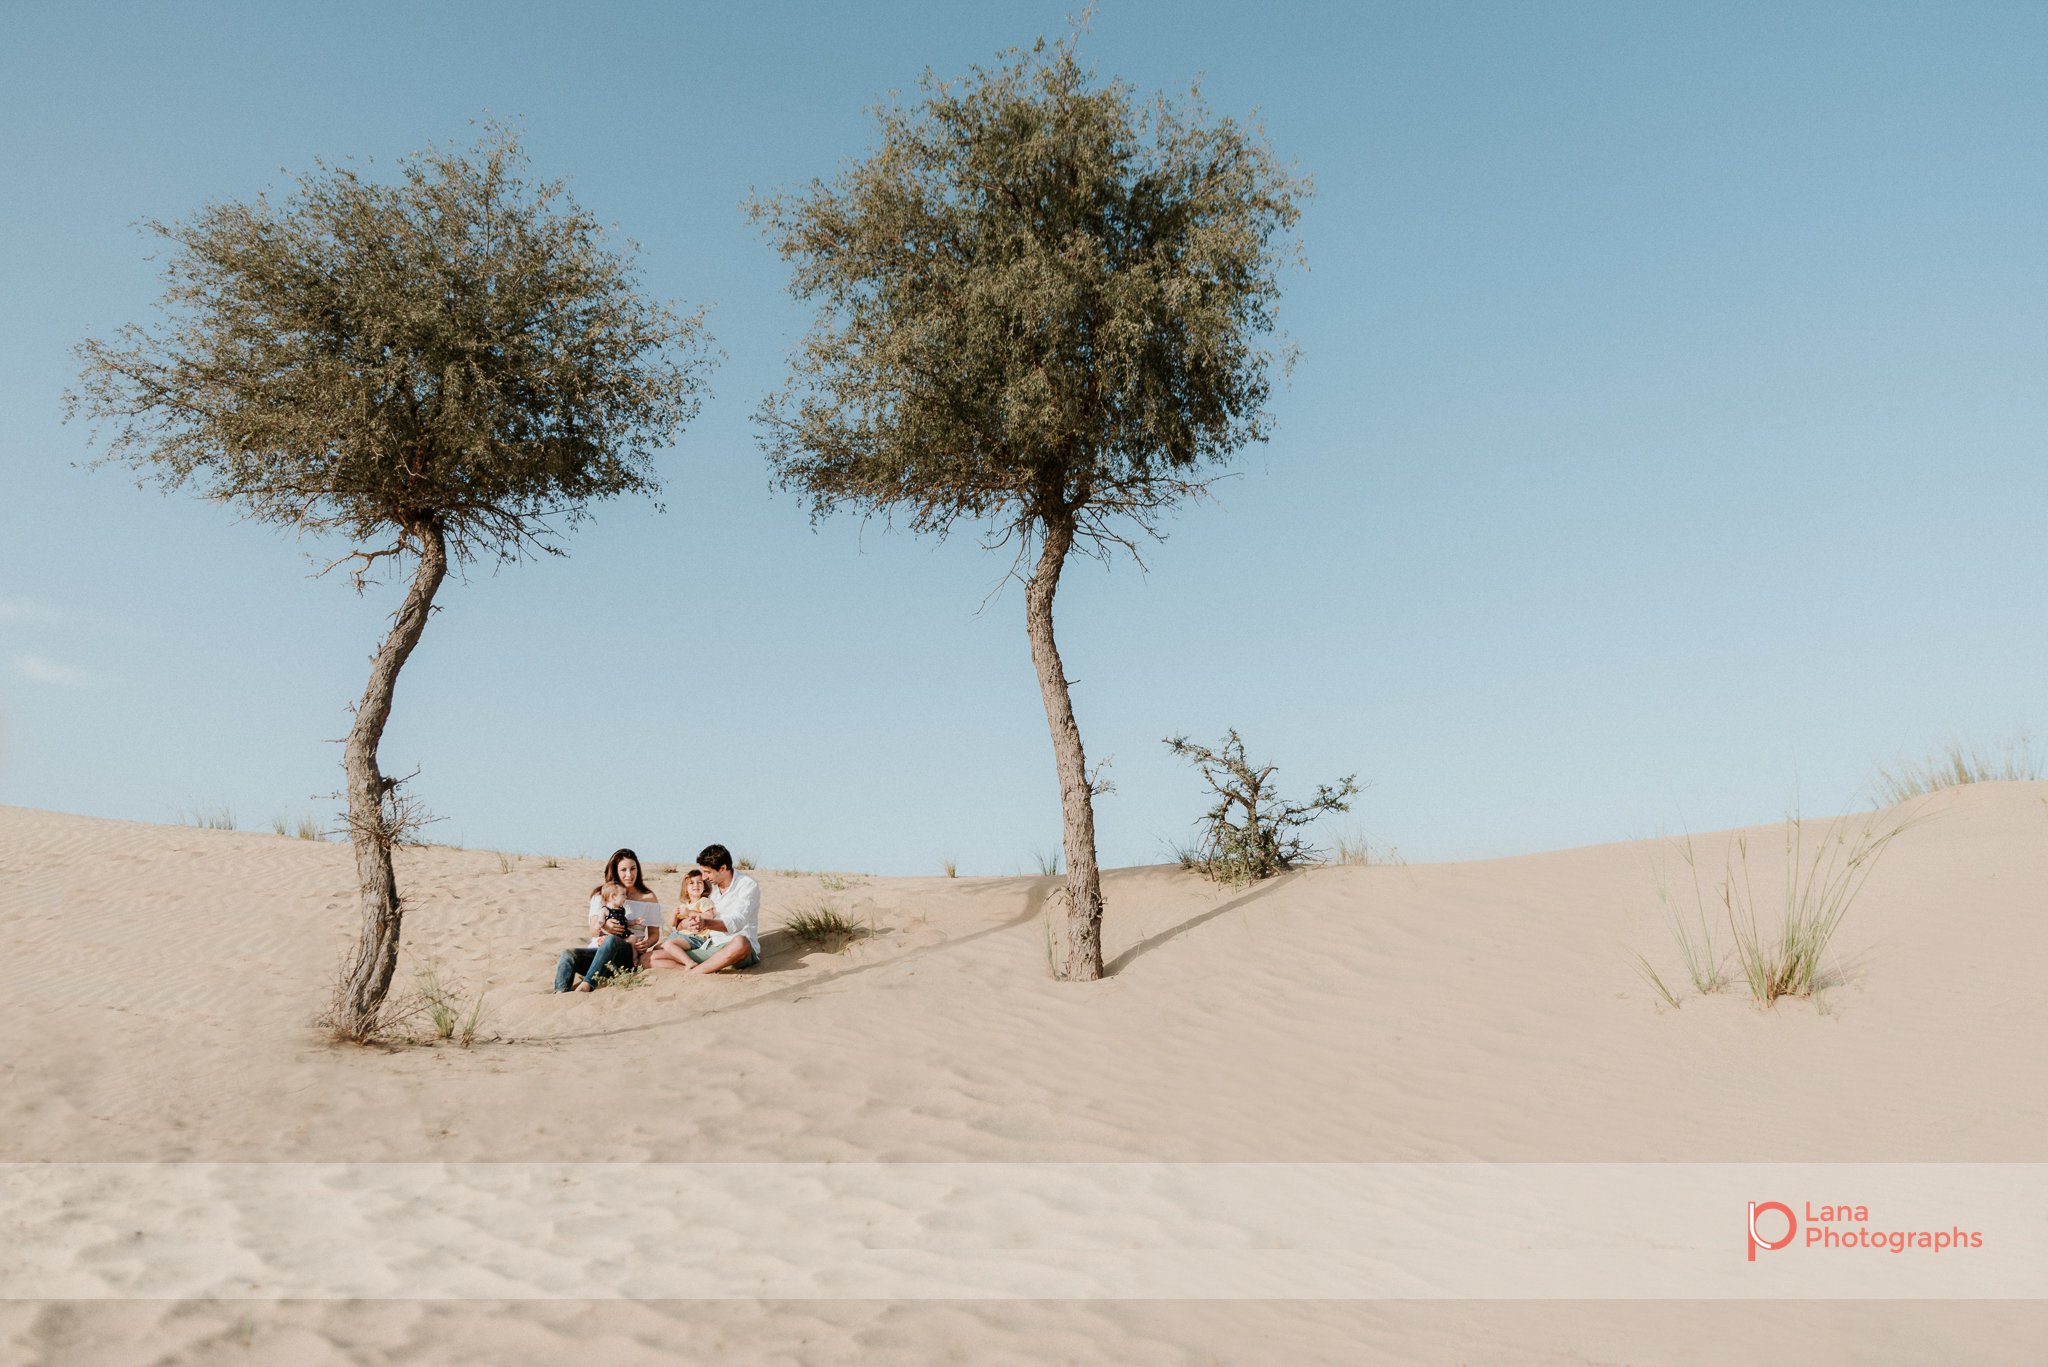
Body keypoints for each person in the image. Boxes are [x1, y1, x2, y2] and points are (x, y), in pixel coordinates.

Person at [552, 849, 663, 992]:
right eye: (623, 870)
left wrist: (647, 943)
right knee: (568, 954)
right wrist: (605, 927)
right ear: (615, 871)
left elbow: (655, 933)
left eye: (633, 869)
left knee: (612, 941)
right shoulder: (601, 895)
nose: (629, 874)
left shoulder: (648, 897)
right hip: (596, 955)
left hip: (626, 957)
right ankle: (560, 993)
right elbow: (593, 930)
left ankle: (588, 985)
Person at [647, 843, 759, 973]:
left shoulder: (747, 885)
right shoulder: (710, 888)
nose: (704, 877)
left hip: (733, 948)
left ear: (722, 868)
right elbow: (684, 920)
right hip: (708, 945)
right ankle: (694, 969)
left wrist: (706, 923)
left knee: (741, 943)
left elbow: (738, 921)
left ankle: (695, 972)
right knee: (648, 957)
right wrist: (684, 923)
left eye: (707, 872)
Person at [644, 866, 718, 972]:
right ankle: (678, 963)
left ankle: (690, 963)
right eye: (691, 883)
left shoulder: (704, 901)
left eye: (699, 882)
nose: (696, 885)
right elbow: (672, 924)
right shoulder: (685, 905)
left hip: (695, 937)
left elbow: (709, 916)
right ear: (686, 889)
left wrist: (690, 913)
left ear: (705, 887)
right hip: (679, 935)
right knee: (657, 948)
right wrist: (674, 915)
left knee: (669, 944)